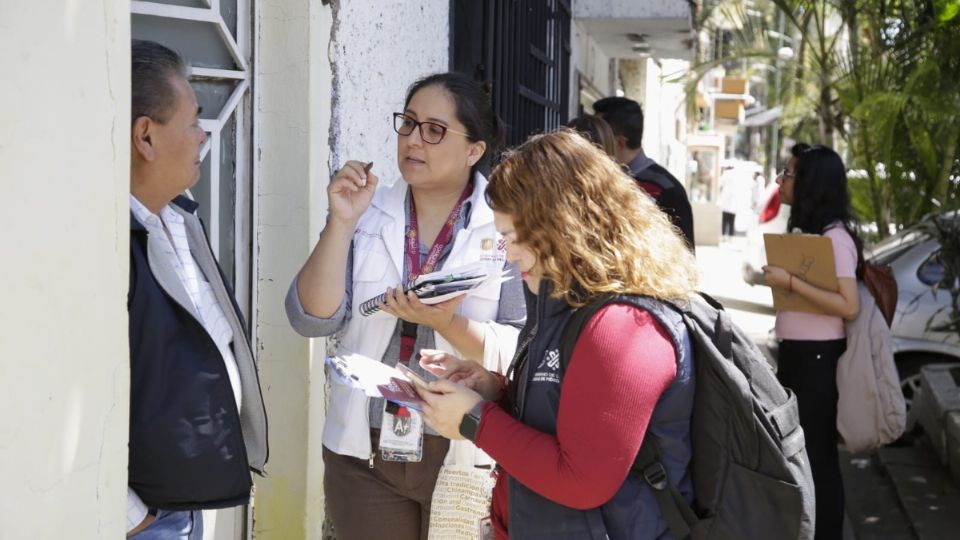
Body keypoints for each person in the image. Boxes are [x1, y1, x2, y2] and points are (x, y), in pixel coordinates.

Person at [414, 130, 699, 539]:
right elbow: (569, 414)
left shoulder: (624, 326)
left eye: (513, 237)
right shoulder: (565, 298)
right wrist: (496, 391)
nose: (508, 254)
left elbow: (583, 480)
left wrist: (474, 420)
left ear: (560, 226)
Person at [285, 72, 525, 539]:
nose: (414, 140)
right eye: (408, 123)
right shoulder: (368, 213)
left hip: (462, 447)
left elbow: (520, 348)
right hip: (365, 451)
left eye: (435, 130)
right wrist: (341, 221)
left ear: (474, 151)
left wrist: (446, 322)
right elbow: (311, 318)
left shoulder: (504, 224)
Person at [127, 40, 268, 539]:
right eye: (192, 122)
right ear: (145, 136)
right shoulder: (108, 245)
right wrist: (132, 514)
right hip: (144, 518)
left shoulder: (178, 216)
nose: (203, 137)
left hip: (182, 504)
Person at [763, 145, 860, 540]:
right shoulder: (816, 234)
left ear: (810, 184)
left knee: (818, 456)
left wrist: (790, 283)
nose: (780, 181)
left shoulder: (835, 238)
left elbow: (848, 306)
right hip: (801, 353)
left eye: (787, 174)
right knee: (805, 455)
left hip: (818, 358)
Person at [593, 96, 695, 248]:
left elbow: (685, 260)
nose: (591, 141)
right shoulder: (594, 180)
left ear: (620, 142)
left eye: (598, 134)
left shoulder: (667, 190)